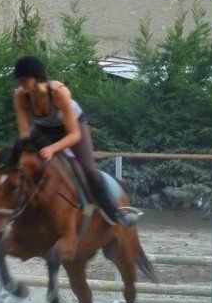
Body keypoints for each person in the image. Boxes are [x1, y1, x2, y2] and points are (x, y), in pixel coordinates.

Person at [12, 55, 138, 226]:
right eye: (20, 81)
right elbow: (25, 134)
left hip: (73, 128)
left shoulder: (58, 92)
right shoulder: (20, 96)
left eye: (24, 80)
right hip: (43, 130)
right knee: (21, 157)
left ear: (37, 78)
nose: (21, 84)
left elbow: (74, 135)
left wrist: (52, 149)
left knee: (89, 171)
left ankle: (115, 212)